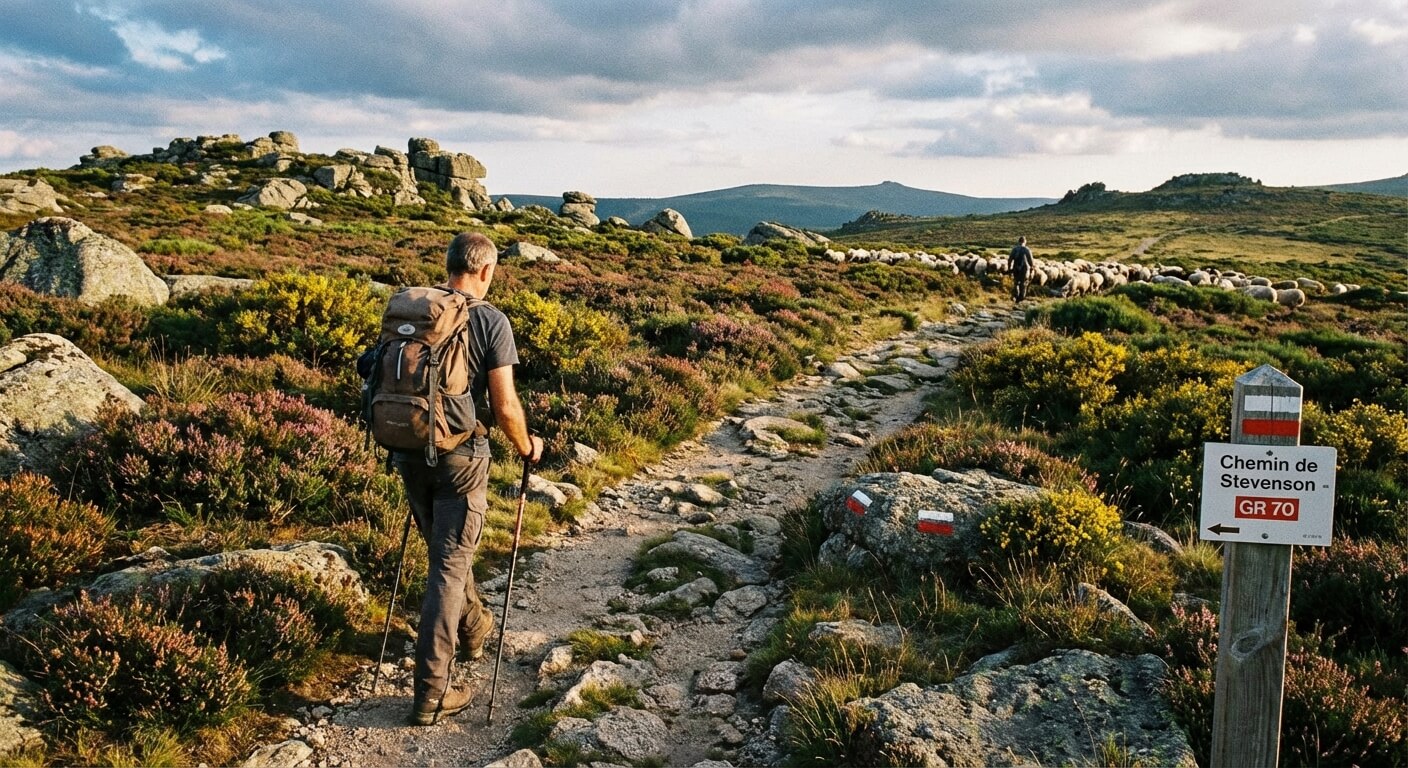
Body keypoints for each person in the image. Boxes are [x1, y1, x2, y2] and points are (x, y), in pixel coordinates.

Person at [395, 232, 544, 726]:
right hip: (461, 460)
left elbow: (370, 370)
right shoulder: (489, 319)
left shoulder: (412, 309)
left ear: (449, 264)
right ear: (486, 271)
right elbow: (503, 404)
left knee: (448, 556)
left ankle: (475, 626)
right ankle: (431, 694)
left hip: (409, 451)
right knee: (447, 569)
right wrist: (527, 447)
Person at [1009, 236, 1035, 302]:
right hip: (1024, 269)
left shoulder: (1014, 249)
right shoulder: (1027, 250)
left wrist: (1009, 269)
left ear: (1019, 241)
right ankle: (1021, 299)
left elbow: (1010, 260)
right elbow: (1031, 261)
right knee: (1023, 284)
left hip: (1016, 268)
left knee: (1016, 282)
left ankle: (1015, 296)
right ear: (1025, 241)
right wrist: (1032, 270)